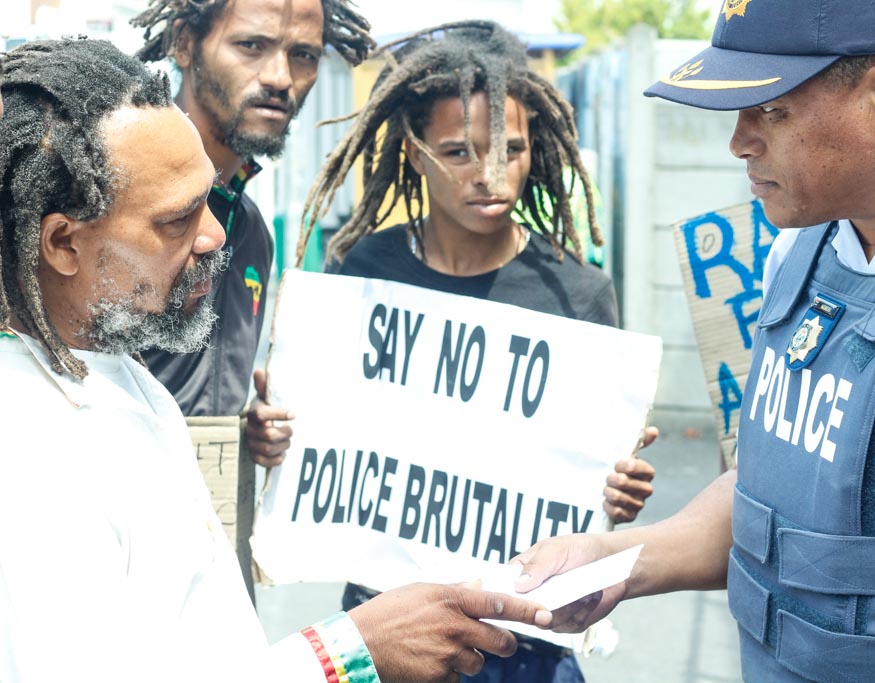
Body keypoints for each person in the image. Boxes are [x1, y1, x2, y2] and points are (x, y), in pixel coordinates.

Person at [0, 37, 552, 683]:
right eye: (176, 221)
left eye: (209, 200)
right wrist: (350, 654)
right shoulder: (29, 455)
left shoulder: (106, 364)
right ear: (64, 242)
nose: (213, 235)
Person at [513, 0, 875, 681]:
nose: (739, 141)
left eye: (771, 110)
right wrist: (614, 560)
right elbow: (780, 496)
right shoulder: (805, 241)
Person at [300, 21, 657, 683]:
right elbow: (326, 437)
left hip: (526, 642)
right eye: (459, 151)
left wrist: (614, 491)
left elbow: (588, 478)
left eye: (513, 149)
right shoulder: (365, 272)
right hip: (390, 624)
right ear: (412, 151)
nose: (491, 175)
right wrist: (279, 436)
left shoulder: (578, 294)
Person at [130, 0, 368, 458]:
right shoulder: (116, 199)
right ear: (184, 43)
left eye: (303, 55)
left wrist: (245, 428)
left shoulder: (251, 231)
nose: (280, 78)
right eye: (251, 45)